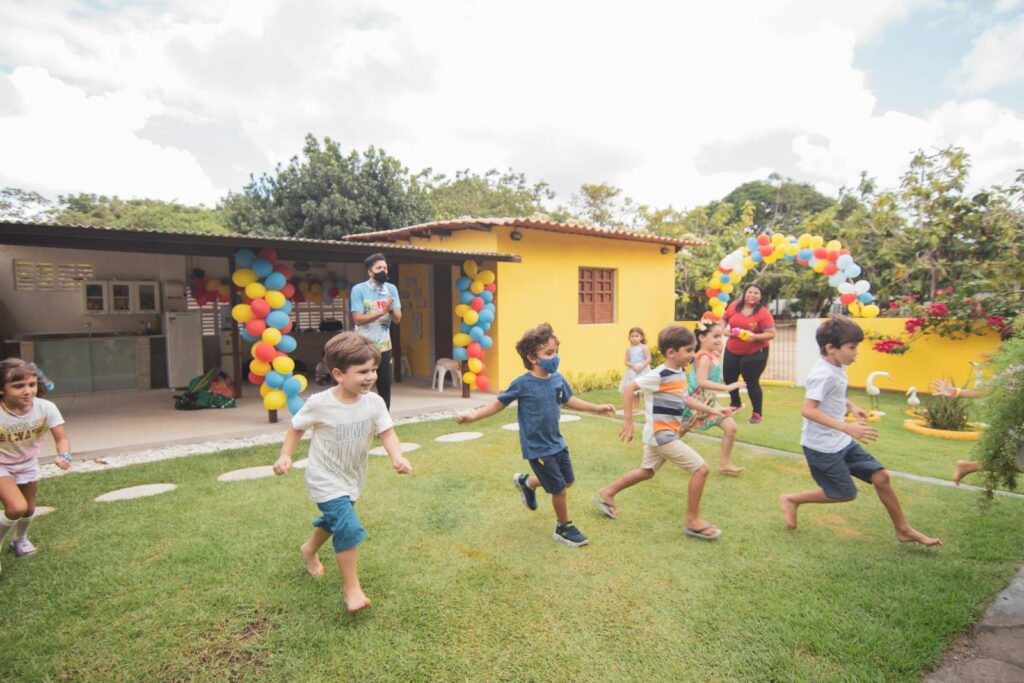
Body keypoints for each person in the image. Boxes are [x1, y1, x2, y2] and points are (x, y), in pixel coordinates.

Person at [272, 332, 413, 613]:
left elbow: (387, 432)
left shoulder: (374, 403)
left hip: (352, 476)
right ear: (338, 374)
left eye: (373, 369)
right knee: (347, 525)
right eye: (362, 371)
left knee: (334, 519)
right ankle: (352, 590)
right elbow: (297, 426)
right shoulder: (320, 403)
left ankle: (309, 550)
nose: (370, 376)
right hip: (324, 476)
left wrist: (397, 456)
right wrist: (285, 455)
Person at [779, 317, 941, 546]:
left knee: (881, 477)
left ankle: (903, 530)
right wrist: (847, 427)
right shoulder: (822, 374)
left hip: (841, 440)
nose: (856, 353)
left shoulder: (838, 366)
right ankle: (791, 499)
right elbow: (808, 410)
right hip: (822, 447)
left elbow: (834, 395)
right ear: (831, 348)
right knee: (844, 493)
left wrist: (851, 406)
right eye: (852, 348)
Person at [455, 323, 615, 547]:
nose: (555, 357)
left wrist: (595, 407)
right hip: (538, 447)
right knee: (558, 489)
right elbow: (499, 404)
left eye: (556, 352)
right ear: (532, 357)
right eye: (549, 353)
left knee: (567, 482)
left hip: (557, 442)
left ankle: (527, 483)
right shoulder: (523, 384)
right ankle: (563, 527)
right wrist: (473, 416)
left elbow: (568, 400)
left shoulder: (558, 379)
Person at [592, 324, 731, 540]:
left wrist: (714, 410)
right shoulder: (660, 374)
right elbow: (630, 388)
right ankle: (693, 520)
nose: (692, 355)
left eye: (693, 350)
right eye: (688, 350)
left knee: (647, 471)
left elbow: (685, 399)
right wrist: (628, 422)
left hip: (663, 434)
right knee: (701, 469)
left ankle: (608, 492)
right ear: (671, 352)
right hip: (661, 434)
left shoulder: (679, 373)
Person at [0, 358, 72, 575]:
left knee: (29, 508)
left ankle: (19, 540)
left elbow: (61, 438)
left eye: (31, 385)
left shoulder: (45, 408)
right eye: (18, 386)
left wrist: (63, 454)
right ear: (2, 389)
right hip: (1, 465)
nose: (27, 391)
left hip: (27, 463)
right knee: (16, 507)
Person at [686, 318, 747, 474]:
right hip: (696, 400)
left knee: (731, 427)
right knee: (677, 432)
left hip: (709, 401)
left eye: (721, 336)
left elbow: (716, 358)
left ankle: (724, 464)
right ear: (701, 338)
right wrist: (728, 387)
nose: (719, 340)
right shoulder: (704, 357)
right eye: (715, 336)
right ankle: (655, 451)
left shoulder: (710, 354)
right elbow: (702, 381)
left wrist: (717, 348)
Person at [350, 253, 402, 409]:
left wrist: (390, 309)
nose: (383, 271)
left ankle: (384, 422)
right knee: (361, 384)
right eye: (379, 268)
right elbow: (358, 319)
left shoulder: (391, 289)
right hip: (362, 347)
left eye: (385, 268)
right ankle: (359, 416)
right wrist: (381, 312)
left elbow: (398, 318)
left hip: (384, 346)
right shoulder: (359, 289)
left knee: (385, 386)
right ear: (370, 272)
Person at [722, 283, 776, 424]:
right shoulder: (734, 306)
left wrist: (755, 337)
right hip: (732, 349)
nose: (752, 295)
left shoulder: (763, 313)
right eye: (750, 292)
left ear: (760, 297)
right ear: (744, 294)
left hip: (755, 352)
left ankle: (757, 413)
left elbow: (771, 333)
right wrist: (722, 329)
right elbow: (723, 319)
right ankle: (735, 403)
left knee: (751, 383)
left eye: (756, 293)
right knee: (729, 378)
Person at [619, 327, 652, 395]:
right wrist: (632, 366)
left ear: (641, 337)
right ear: (629, 337)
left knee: (645, 391)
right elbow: (626, 361)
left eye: (636, 336)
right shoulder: (629, 349)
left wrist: (641, 366)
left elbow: (648, 359)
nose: (634, 338)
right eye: (632, 336)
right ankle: (635, 406)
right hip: (632, 371)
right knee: (634, 391)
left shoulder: (644, 347)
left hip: (643, 370)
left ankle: (648, 405)